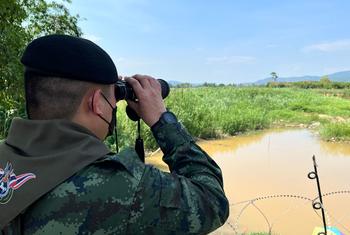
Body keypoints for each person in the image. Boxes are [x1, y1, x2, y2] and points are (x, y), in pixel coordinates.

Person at [0, 34, 229, 234]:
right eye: (113, 96)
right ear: (97, 103)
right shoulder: (123, 186)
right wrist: (162, 119)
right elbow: (213, 200)